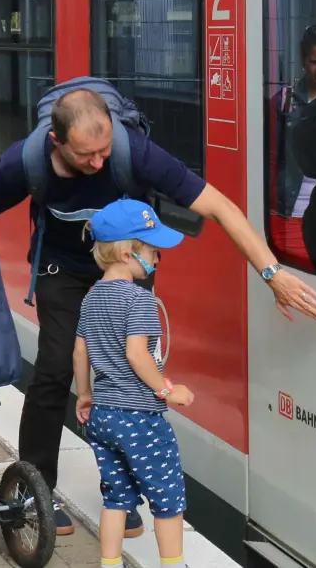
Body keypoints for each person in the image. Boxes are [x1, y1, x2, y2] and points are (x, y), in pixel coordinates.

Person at [0, 86, 316, 535]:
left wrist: (272, 274)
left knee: (129, 379)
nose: (99, 164)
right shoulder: (28, 160)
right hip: (62, 270)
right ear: (56, 142)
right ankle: (34, 489)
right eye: (87, 156)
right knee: (55, 368)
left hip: (128, 272)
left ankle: (121, 492)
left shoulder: (132, 151)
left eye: (104, 152)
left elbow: (219, 206)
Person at [74, 198, 194, 568]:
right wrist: (168, 391)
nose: (157, 259)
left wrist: (85, 394)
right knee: (168, 499)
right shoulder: (140, 301)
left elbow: (80, 353)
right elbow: (137, 355)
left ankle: (109, 565)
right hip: (139, 416)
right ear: (128, 253)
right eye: (153, 251)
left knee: (115, 498)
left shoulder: (91, 298)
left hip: (104, 416)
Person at [267, 24, 316, 271]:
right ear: (304, 60)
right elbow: (271, 157)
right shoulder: (284, 101)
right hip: (286, 214)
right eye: (315, 62)